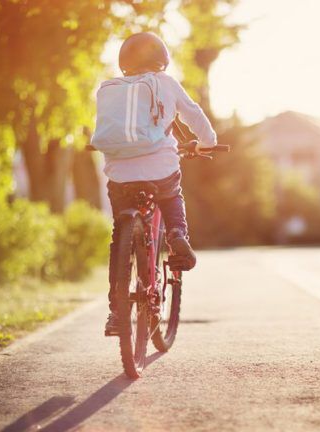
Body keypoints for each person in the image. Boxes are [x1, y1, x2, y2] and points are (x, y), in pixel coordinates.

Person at [94, 32, 217, 335]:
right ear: (161, 59)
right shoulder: (166, 82)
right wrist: (207, 143)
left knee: (118, 236)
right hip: (159, 168)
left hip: (119, 173)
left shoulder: (110, 88)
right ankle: (176, 233)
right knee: (171, 193)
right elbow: (193, 114)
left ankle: (116, 313)